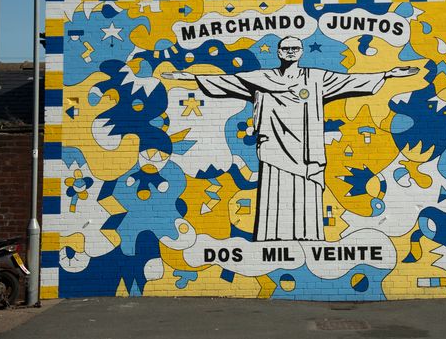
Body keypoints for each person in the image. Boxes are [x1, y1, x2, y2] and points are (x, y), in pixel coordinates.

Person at [162, 37, 419, 241]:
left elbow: (349, 81)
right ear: (279, 52)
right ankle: (272, 236)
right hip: (274, 147)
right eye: (286, 49)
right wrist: (191, 77)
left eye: (295, 48)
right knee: (276, 192)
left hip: (306, 151)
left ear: (301, 52)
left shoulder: (316, 78)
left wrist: (387, 74)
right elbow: (229, 81)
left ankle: (307, 236)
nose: (290, 52)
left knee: (305, 193)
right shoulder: (261, 79)